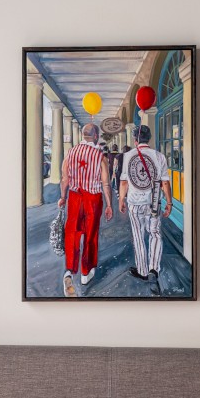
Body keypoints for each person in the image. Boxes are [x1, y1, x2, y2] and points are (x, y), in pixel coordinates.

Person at [58, 122, 112, 296]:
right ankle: (85, 273)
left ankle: (69, 270)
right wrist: (109, 204)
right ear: (96, 136)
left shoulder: (70, 153)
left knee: (72, 232)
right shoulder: (99, 155)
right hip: (93, 199)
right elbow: (105, 182)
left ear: (83, 135)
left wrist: (63, 197)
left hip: (74, 196)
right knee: (90, 234)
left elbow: (64, 178)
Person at [117, 124, 171, 282]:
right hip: (154, 202)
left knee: (138, 236)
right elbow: (165, 183)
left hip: (135, 203)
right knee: (155, 234)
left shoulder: (128, 156)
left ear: (135, 140)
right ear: (149, 139)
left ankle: (142, 270)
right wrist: (169, 202)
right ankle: (154, 268)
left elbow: (124, 182)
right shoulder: (159, 156)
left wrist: (121, 199)